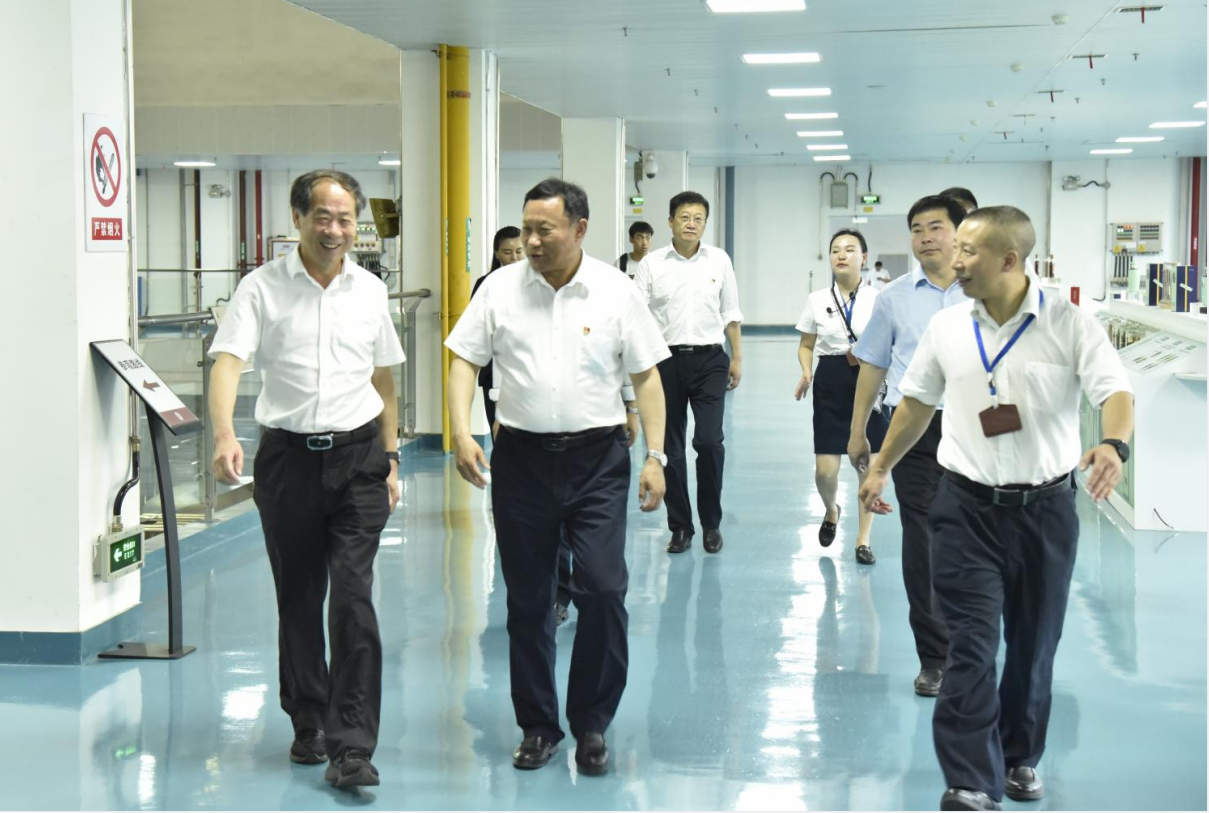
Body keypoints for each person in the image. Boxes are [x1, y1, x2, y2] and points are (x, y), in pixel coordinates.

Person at [858, 206, 1133, 811]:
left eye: (968, 252)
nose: (954, 261)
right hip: (966, 509)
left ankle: (1018, 756)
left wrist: (1114, 444)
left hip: (1045, 511)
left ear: (1009, 260)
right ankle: (970, 781)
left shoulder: (1069, 324)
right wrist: (880, 465)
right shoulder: (948, 328)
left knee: (1033, 648)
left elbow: (1115, 391)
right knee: (971, 647)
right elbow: (916, 404)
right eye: (955, 248)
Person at [446, 178, 670, 777]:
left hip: (596, 460)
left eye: (544, 229)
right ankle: (538, 726)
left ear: (579, 228)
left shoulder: (616, 291)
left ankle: (592, 722)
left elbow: (647, 375)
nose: (532, 240)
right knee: (529, 598)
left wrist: (656, 456)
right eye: (526, 229)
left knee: (603, 589)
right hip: (520, 461)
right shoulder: (499, 289)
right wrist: (463, 432)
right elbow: (464, 359)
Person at [208, 170, 404, 789]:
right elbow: (228, 363)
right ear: (297, 218)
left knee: (352, 597)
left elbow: (384, 379)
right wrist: (224, 434)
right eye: (323, 216)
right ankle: (308, 718)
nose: (335, 230)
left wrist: (392, 456)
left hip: (358, 459)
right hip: (288, 461)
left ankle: (353, 745)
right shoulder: (260, 288)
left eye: (345, 219)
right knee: (298, 595)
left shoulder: (370, 291)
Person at [848, 194, 969, 698]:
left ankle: (975, 647)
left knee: (976, 537)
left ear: (961, 232)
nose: (925, 237)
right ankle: (934, 657)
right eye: (917, 229)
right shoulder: (893, 297)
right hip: (914, 429)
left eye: (936, 227)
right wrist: (859, 431)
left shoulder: (985, 290)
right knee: (922, 537)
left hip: (978, 429)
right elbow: (874, 365)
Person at [633, 191, 743, 555]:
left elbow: (731, 312)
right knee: (670, 448)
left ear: (705, 224)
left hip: (711, 360)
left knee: (709, 442)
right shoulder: (651, 264)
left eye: (698, 218)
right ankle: (681, 526)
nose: (691, 224)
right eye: (684, 217)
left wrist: (737, 358)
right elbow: (636, 315)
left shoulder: (719, 260)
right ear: (670, 221)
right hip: (664, 362)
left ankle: (711, 523)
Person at [793, 229, 888, 565]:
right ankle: (832, 510)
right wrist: (807, 370)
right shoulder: (817, 299)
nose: (842, 255)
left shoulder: (879, 298)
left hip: (869, 379)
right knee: (825, 471)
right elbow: (806, 345)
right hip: (830, 382)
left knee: (866, 466)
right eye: (835, 250)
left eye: (850, 249)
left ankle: (863, 540)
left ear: (864, 257)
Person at [471, 226, 524, 427]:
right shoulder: (485, 284)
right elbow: (476, 329)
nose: (514, 258)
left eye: (519, 251)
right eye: (507, 252)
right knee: (499, 431)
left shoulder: (540, 282)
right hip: (494, 370)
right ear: (497, 254)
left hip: (528, 369)